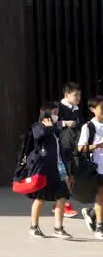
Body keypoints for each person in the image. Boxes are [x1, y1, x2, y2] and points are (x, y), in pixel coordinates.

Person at [28, 104, 72, 238]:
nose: (56, 115)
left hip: (59, 167)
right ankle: (33, 226)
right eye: (53, 112)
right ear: (46, 113)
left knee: (62, 196)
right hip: (43, 168)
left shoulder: (55, 130)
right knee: (40, 198)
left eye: (57, 112)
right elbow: (38, 136)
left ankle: (58, 227)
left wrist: (67, 170)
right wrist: (50, 127)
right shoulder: (38, 126)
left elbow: (60, 149)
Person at [56, 83, 90, 225]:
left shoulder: (76, 109)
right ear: (66, 95)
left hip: (74, 145)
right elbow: (48, 123)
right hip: (62, 145)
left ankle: (64, 203)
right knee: (66, 174)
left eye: (79, 95)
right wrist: (64, 123)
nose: (78, 98)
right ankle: (63, 205)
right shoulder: (58, 108)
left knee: (72, 173)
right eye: (75, 95)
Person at [76, 95, 103, 239]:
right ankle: (99, 227)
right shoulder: (88, 127)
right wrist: (97, 145)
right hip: (97, 167)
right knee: (100, 197)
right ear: (93, 109)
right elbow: (80, 148)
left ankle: (91, 213)